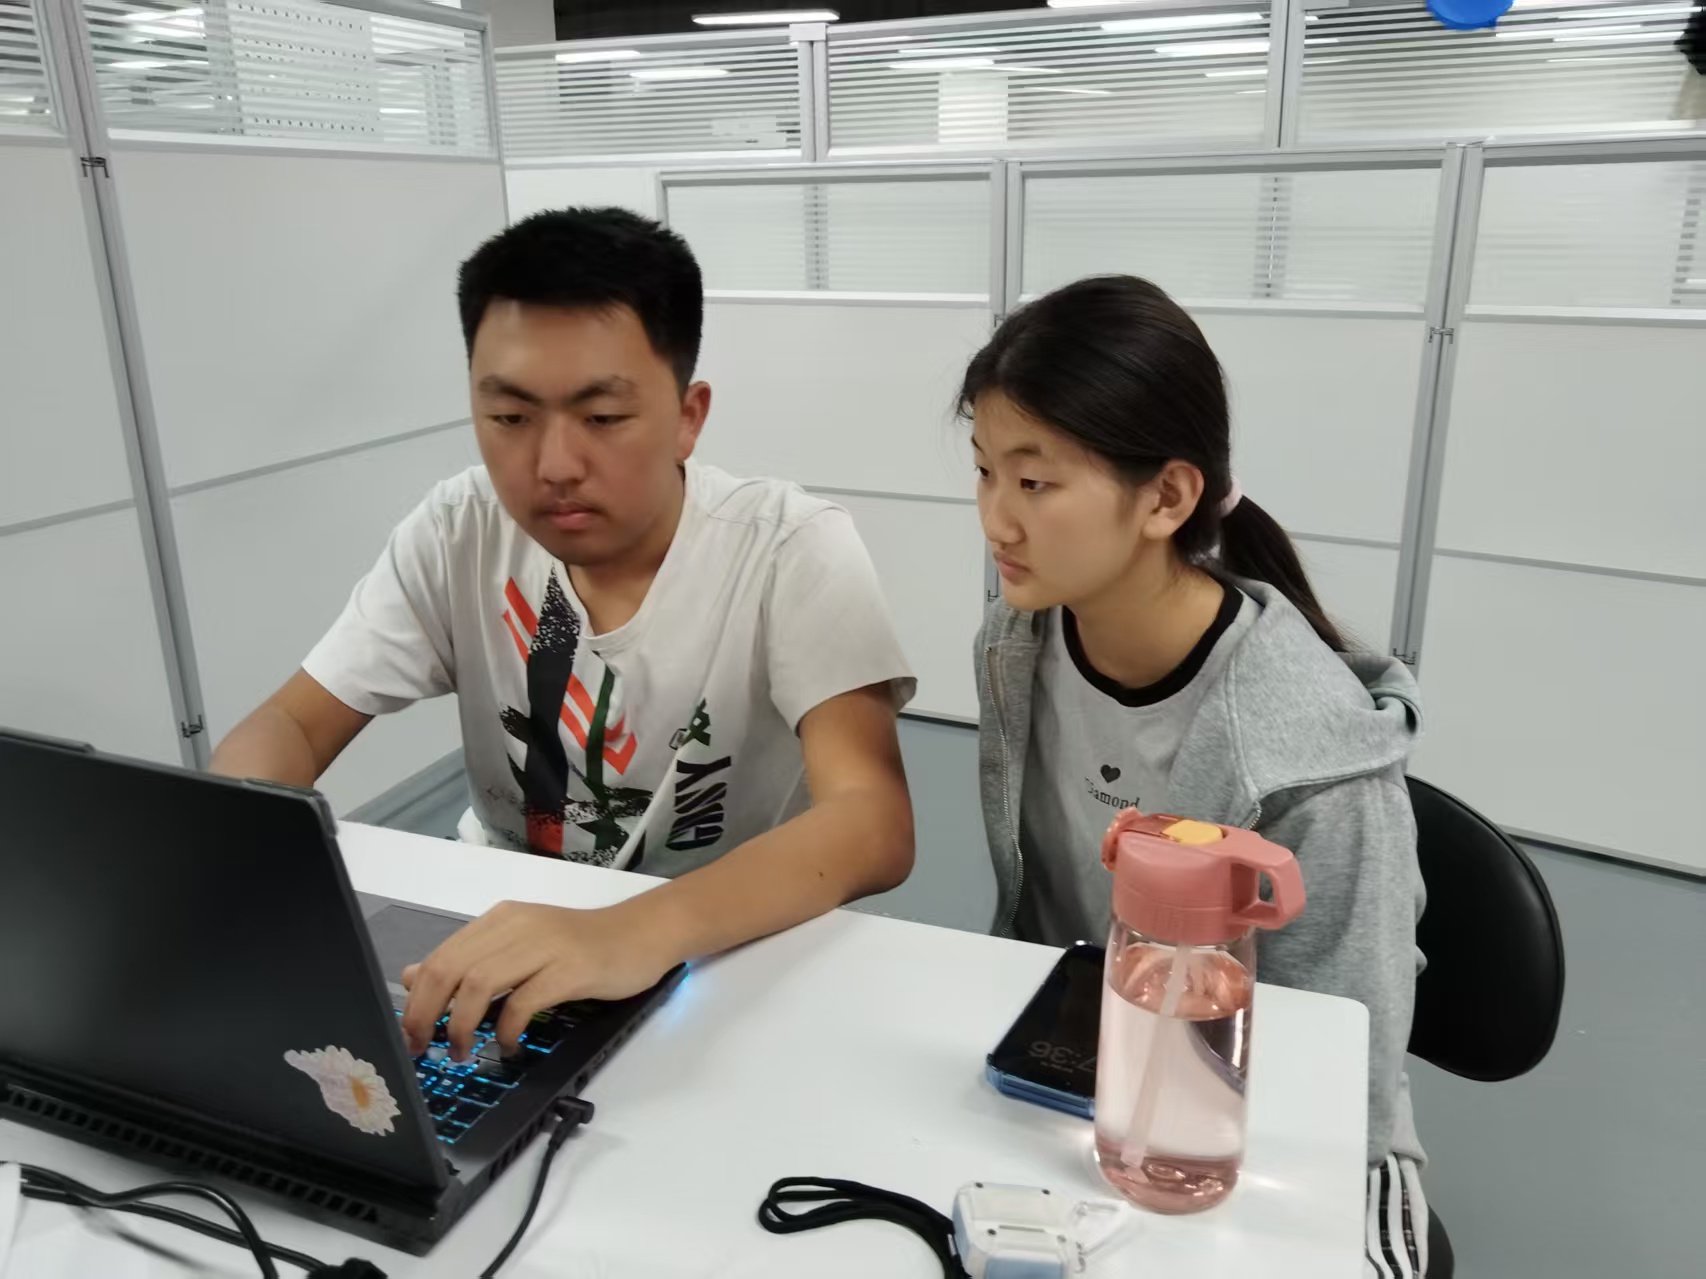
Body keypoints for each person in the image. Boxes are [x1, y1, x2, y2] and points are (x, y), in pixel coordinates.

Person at [212, 208, 917, 1064]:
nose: (553, 465)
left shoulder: (786, 547)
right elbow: (291, 723)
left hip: (725, 936)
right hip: (501, 925)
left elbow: (871, 821)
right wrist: (227, 863)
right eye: (510, 417)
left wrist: (632, 931)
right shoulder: (459, 528)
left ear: (689, 414)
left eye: (602, 417)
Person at [965, 276, 1431, 1278]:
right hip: (1081, 1069)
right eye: (983, 472)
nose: (995, 520)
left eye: (1034, 482)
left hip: (1264, 1125)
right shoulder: (1016, 640)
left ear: (1166, 497)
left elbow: (1346, 1068)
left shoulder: (1310, 756)